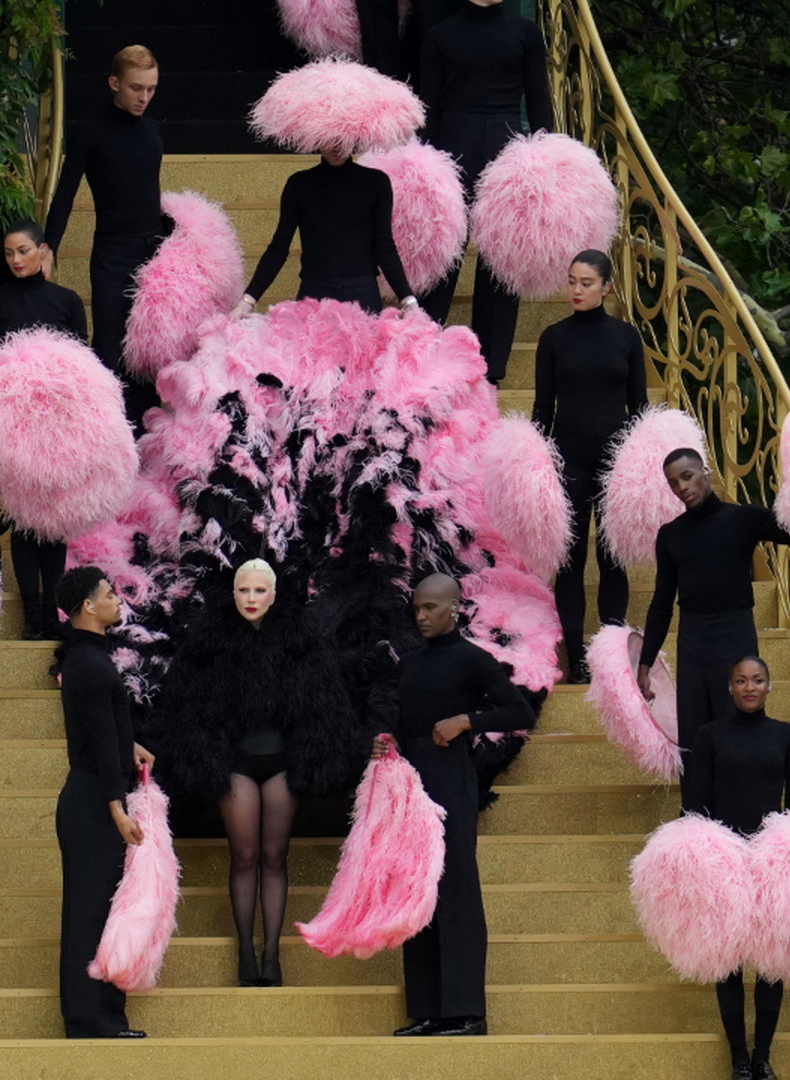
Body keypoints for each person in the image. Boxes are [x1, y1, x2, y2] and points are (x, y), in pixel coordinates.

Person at [155, 559, 361, 988]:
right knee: (245, 855)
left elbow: (324, 706)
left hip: (283, 760)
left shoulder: (300, 640)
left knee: (274, 856)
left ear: (273, 594)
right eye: (243, 591)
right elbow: (187, 708)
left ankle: (272, 954)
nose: (251, 599)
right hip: (235, 762)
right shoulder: (209, 642)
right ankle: (246, 952)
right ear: (233, 595)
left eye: (259, 591)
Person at [382, 573, 535, 1036]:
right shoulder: (409, 663)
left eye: (430, 607)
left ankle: (467, 1012)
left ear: (454, 606)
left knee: (457, 891)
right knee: (418, 890)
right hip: (412, 783)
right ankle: (428, 1010)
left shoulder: (473, 659)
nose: (422, 616)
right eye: (417, 609)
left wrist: (467, 721)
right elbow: (401, 719)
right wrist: (386, 741)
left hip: (452, 782)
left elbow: (520, 711)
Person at [0, 220, 90, 639]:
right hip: (11, 423)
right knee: (21, 518)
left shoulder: (67, 301)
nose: (16, 259)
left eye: (23, 251)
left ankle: (52, 615)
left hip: (57, 423)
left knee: (53, 522)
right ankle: (32, 617)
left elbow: (81, 365)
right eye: (9, 253)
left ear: (43, 251)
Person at [682, 656, 790, 1080]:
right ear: (730, 687)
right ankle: (739, 1059)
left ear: (770, 686)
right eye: (741, 680)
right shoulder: (709, 736)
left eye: (757, 680)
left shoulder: (789, 737)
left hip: (770, 859)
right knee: (728, 960)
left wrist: (785, 857)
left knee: (771, 962)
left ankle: (763, 1057)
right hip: (724, 858)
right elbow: (695, 803)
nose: (749, 687)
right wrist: (706, 856)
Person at [416, 0, 553, 383]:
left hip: (506, 144)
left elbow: (539, 99)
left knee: (501, 253)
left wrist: (549, 154)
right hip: (451, 145)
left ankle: (491, 366)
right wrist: (424, 166)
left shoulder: (525, 33)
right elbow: (430, 106)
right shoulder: (439, 35)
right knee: (444, 249)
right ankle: (423, 350)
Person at [636, 448, 790, 759]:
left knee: (736, 730)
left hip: (735, 634)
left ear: (705, 471)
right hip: (693, 638)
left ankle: (740, 807)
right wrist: (645, 662)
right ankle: (695, 809)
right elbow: (661, 603)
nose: (682, 487)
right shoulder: (670, 535)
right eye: (673, 483)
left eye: (687, 476)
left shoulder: (743, 519)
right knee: (695, 739)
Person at [531, 250, 648, 682]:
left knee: (613, 558)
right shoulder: (552, 338)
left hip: (615, 463)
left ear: (607, 287)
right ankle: (576, 656)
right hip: (568, 460)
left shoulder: (626, 337)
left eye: (586, 283)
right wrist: (537, 464)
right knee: (572, 558)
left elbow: (639, 408)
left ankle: (612, 653)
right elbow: (542, 411)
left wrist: (638, 468)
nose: (576, 290)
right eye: (571, 282)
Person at [51, 566, 156, 1039]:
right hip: (94, 802)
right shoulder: (89, 663)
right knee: (89, 915)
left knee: (96, 912)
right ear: (89, 607)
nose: (118, 599)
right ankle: (90, 1020)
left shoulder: (87, 657)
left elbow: (106, 729)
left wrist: (129, 748)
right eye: (109, 594)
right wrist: (118, 808)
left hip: (94, 793)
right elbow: (97, 734)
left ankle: (99, 1018)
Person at [43, 45, 164, 423]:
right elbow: (64, 192)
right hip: (112, 253)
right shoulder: (89, 131)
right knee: (110, 351)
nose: (144, 97)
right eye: (135, 88)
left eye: (151, 89)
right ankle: (109, 438)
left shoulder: (154, 131)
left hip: (154, 251)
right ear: (114, 83)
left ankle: (147, 448)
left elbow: (148, 192)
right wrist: (50, 246)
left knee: (147, 353)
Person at [231, 143, 422, 318]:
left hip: (363, 296)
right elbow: (279, 247)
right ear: (316, 138)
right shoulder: (299, 184)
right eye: (329, 138)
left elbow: (384, 247)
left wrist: (409, 301)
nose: (336, 145)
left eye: (342, 137)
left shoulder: (376, 182)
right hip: (314, 295)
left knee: (363, 355)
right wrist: (248, 301)